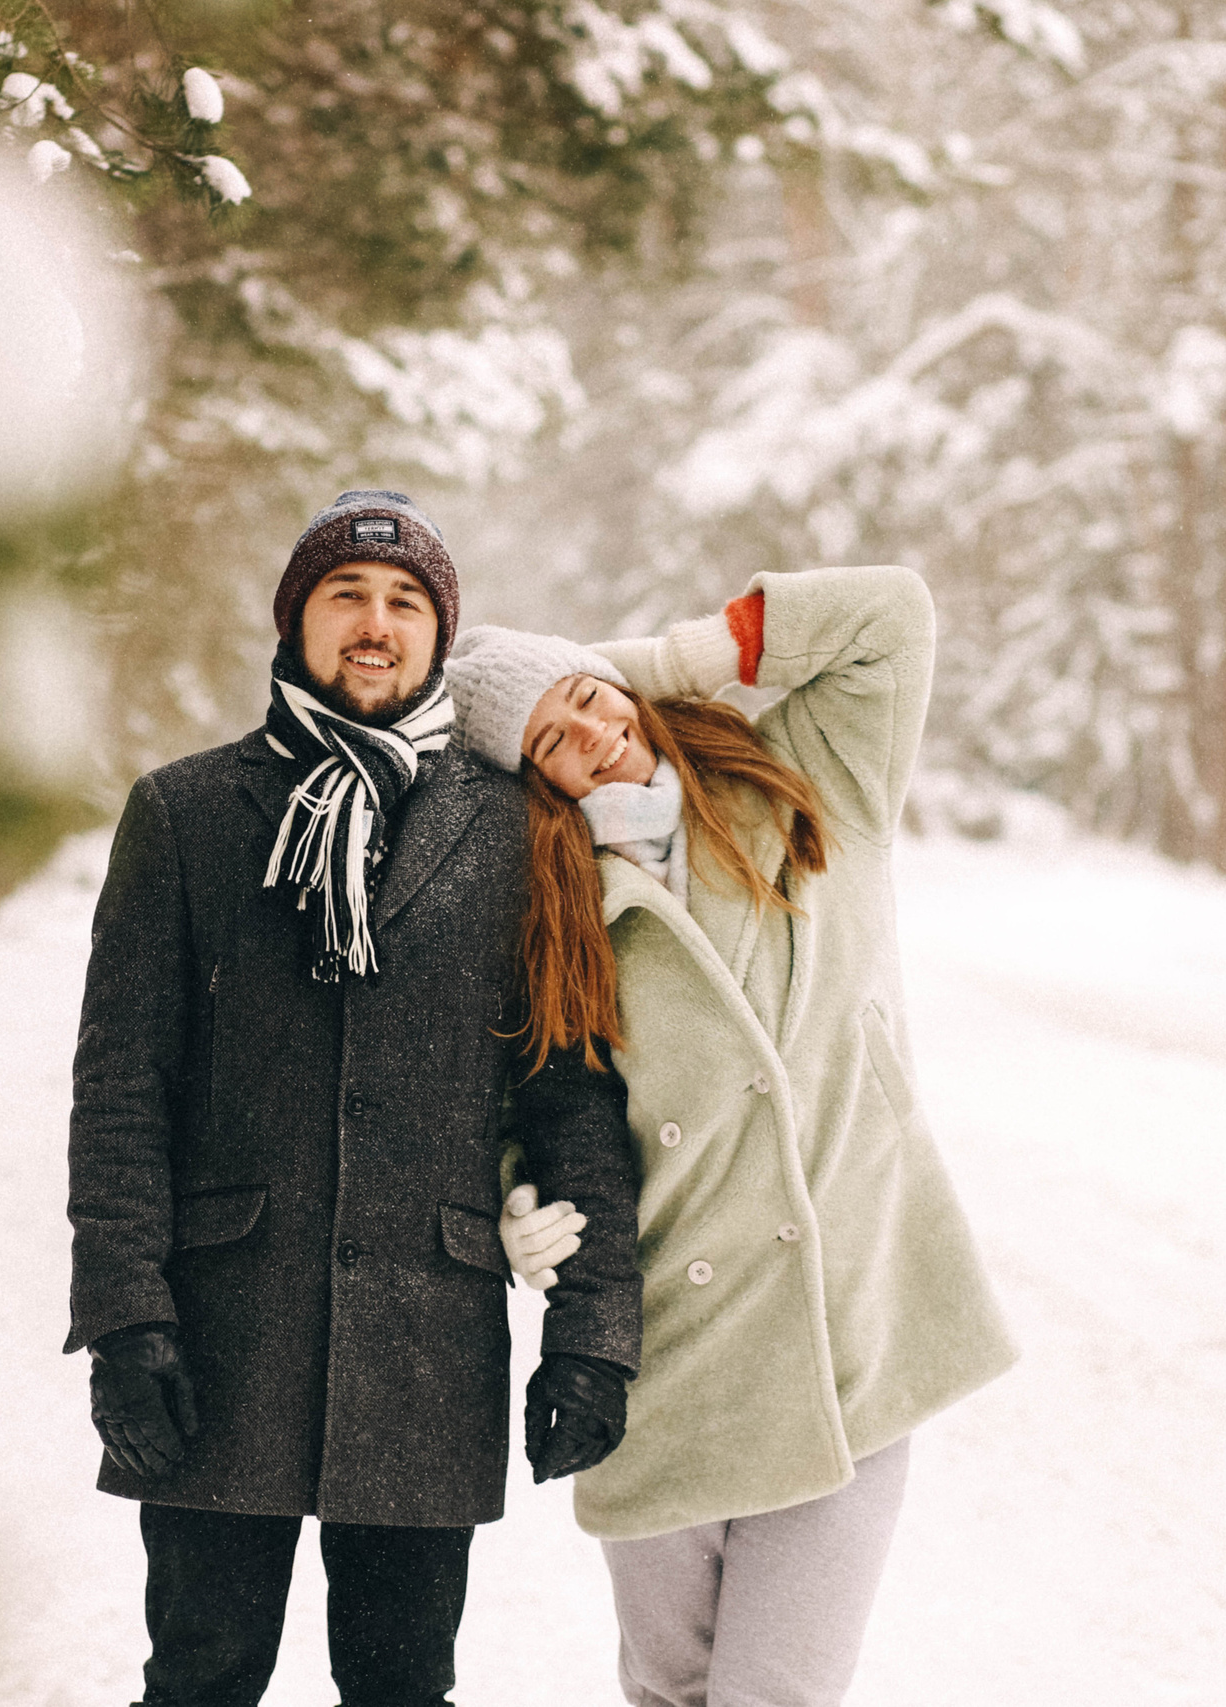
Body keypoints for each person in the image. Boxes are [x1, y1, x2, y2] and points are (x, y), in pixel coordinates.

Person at [67, 489, 644, 1707]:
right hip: (221, 1333)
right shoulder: (181, 814)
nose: (375, 625)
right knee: (200, 1676)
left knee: (400, 1688)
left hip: (427, 1344)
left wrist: (591, 1335)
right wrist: (125, 1320)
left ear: (442, 637)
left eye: (405, 603)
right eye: (346, 596)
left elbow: (570, 1095)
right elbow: (121, 1088)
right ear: (295, 621)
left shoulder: (522, 831)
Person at [441, 564, 1017, 1707]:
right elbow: (527, 1100)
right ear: (536, 788)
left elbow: (890, 614)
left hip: (845, 1327)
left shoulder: (811, 786)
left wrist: (663, 661)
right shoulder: (552, 919)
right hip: (671, 1353)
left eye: (590, 701)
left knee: (776, 1695)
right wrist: (520, 1201)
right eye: (555, 739)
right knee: (669, 1689)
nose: (595, 736)